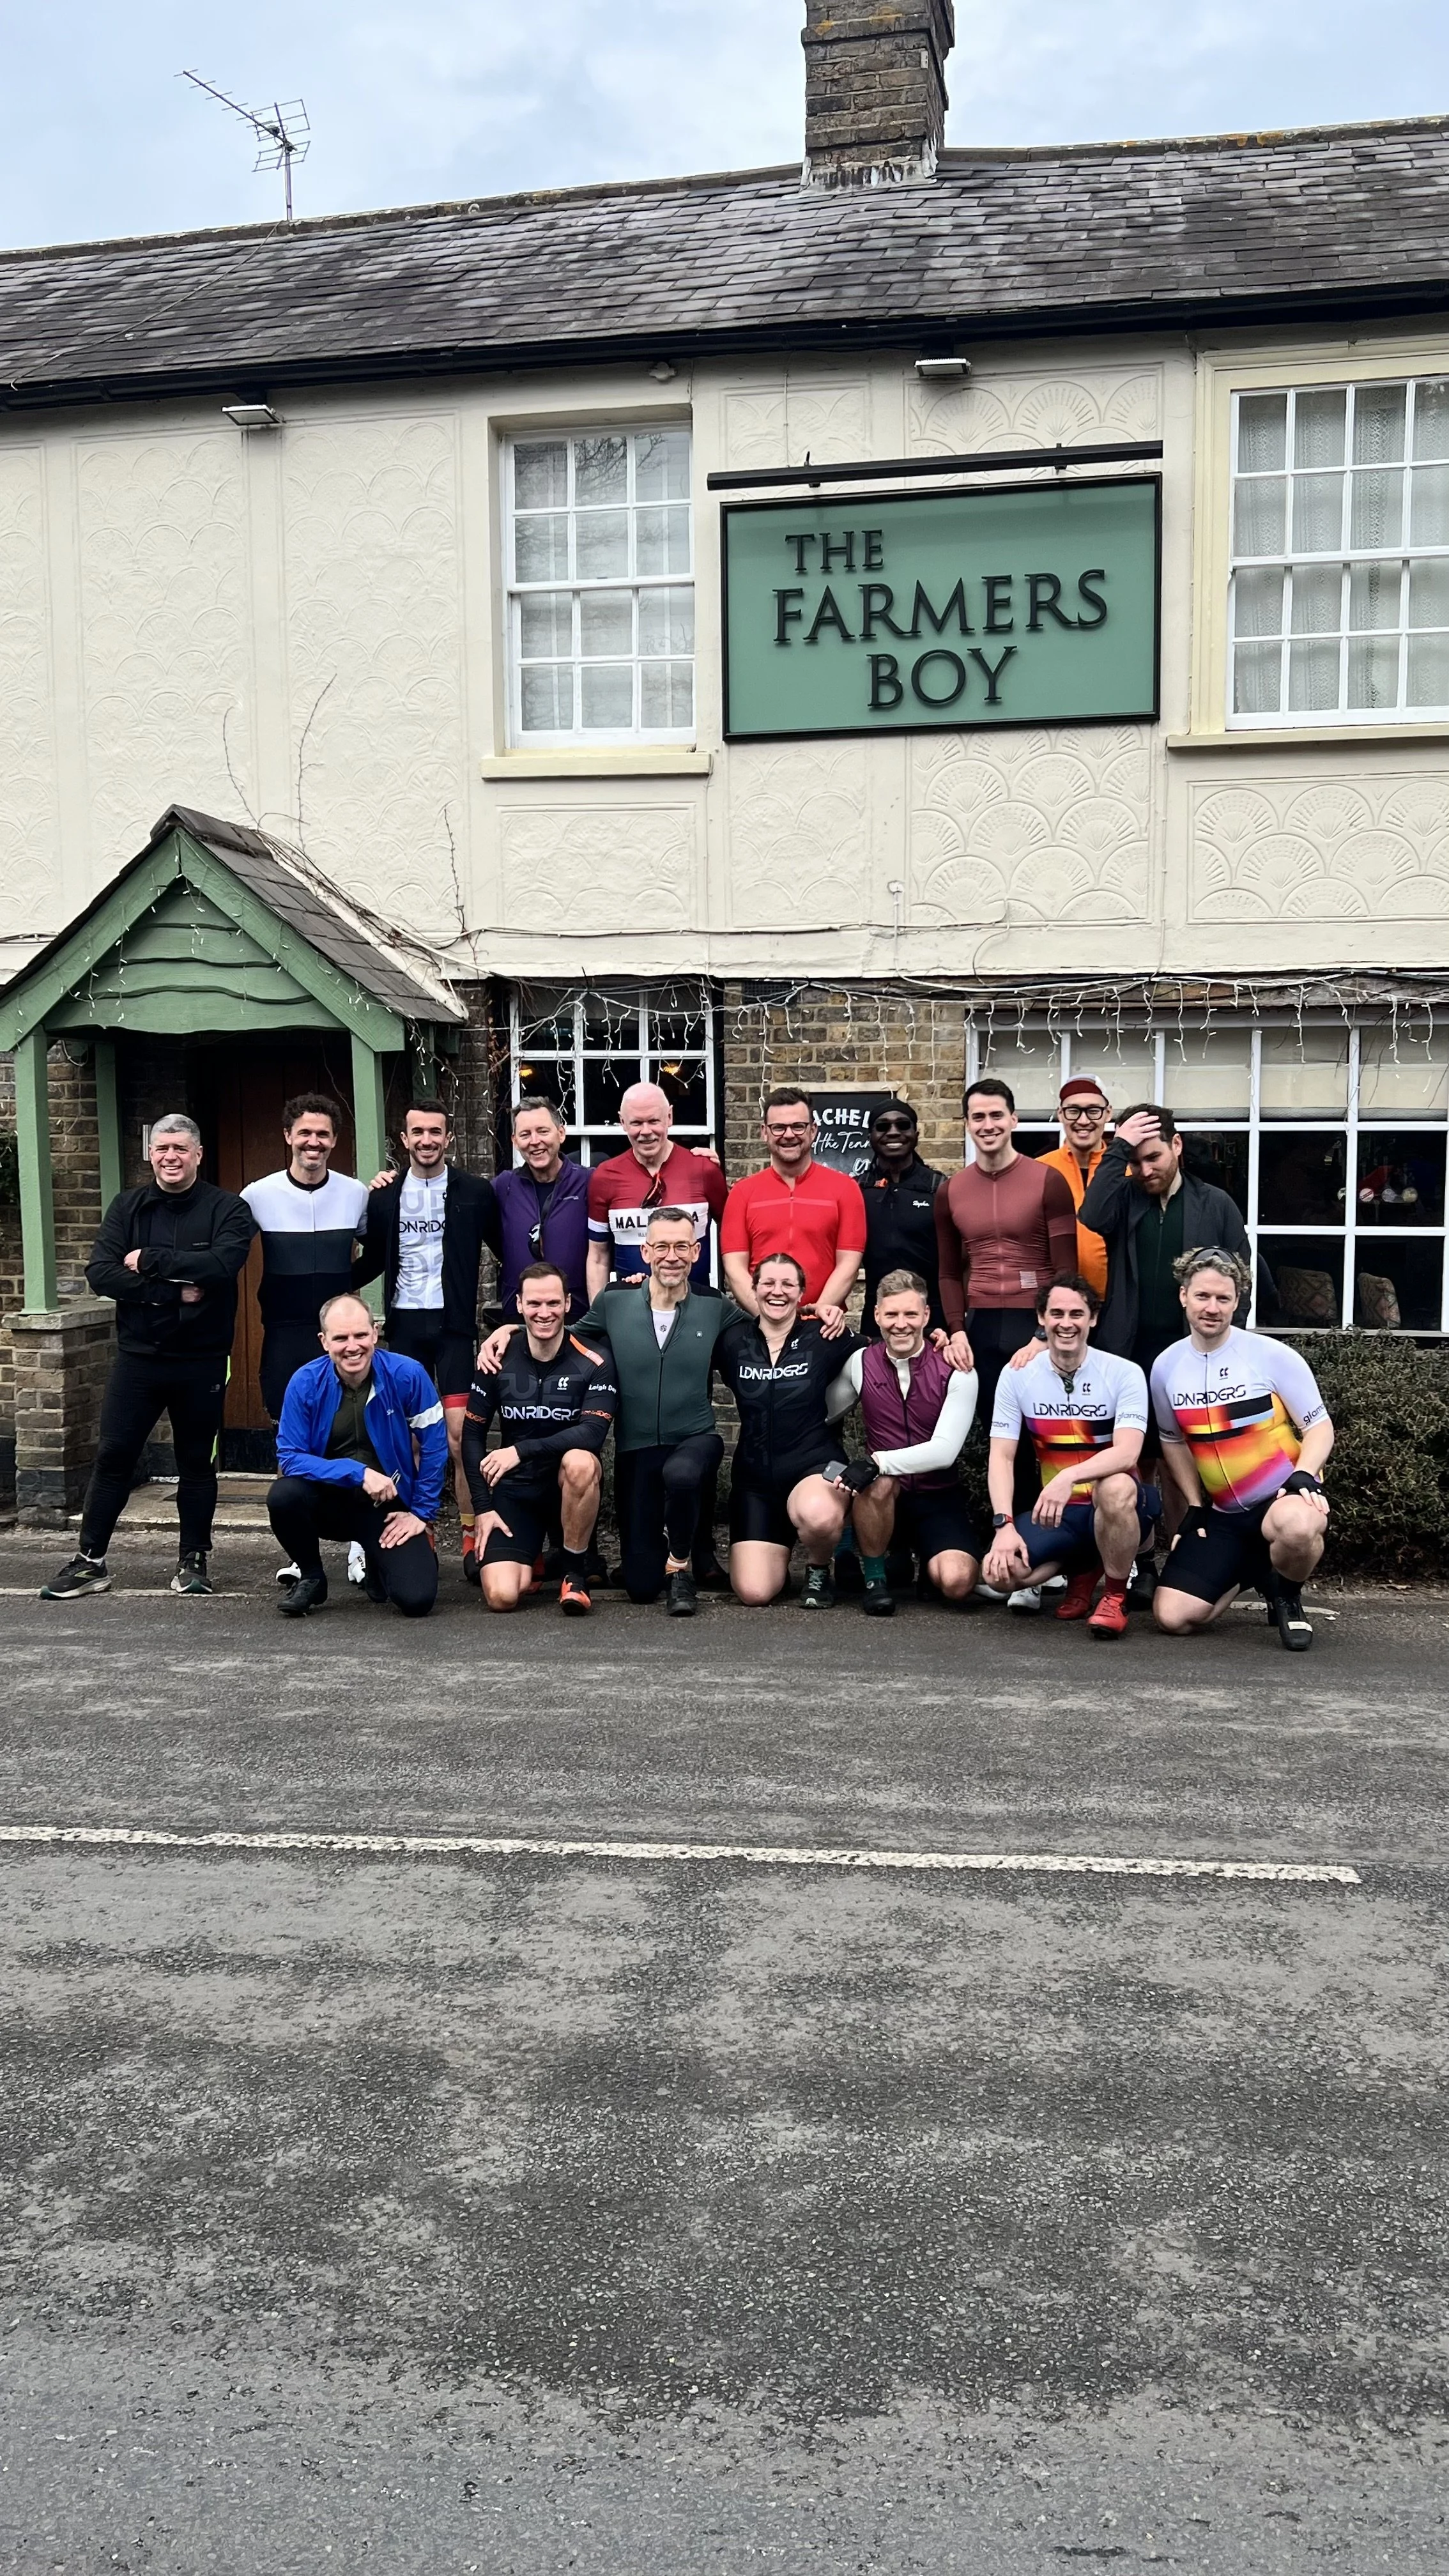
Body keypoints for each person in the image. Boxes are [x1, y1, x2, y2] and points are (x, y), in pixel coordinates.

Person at [479, 1206, 746, 1613]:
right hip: (636, 1447)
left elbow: (768, 1327)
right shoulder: (615, 1300)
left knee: (683, 1473)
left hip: (695, 1436)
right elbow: (562, 1332)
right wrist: (511, 1328)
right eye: (661, 1246)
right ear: (645, 1252)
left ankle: (682, 1567)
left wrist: (818, 1315)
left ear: (696, 1252)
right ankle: (654, 1562)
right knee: (640, 1587)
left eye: (681, 1247)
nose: (670, 1256)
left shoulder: (715, 1305)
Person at [40, 1114, 256, 1601]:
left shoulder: (228, 1209)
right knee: (114, 1455)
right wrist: (172, 1295)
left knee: (196, 1462)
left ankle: (193, 1561)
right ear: (150, 1154)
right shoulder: (128, 1207)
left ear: (198, 1154)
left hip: (202, 1360)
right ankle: (90, 1561)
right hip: (138, 1358)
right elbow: (101, 1274)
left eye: (180, 1148)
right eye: (162, 1148)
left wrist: (151, 1261)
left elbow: (222, 1266)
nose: (170, 1157)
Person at [1079, 1100, 1252, 1607]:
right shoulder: (1126, 1198)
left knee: (1183, 1467)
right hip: (1129, 1354)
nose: (1145, 1169)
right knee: (1136, 1465)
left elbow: (1238, 1284)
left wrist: (1221, 1353)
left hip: (1188, 1358)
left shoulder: (1214, 1204)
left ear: (1177, 1146)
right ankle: (1141, 1564)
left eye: (1153, 1157)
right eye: (1137, 1160)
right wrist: (1118, 1150)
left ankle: (1185, 1565)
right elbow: (1091, 1214)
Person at [1150, 1247, 1333, 1652]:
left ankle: (1287, 1596)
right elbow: (1172, 1440)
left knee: (1298, 1528)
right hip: (1224, 1515)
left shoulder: (1271, 1356)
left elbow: (1319, 1426)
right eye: (1202, 1296)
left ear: (1237, 1301)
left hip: (1283, 1497)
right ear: (1183, 1296)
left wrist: (1305, 1474)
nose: (1212, 1307)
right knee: (1172, 1617)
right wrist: (1194, 1505)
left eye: (1223, 1298)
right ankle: (1258, 1568)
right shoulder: (1165, 1367)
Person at [355, 1099, 502, 1583]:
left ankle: (468, 1535)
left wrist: (513, 1310)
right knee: (407, 1444)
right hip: (404, 1330)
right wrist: (326, 1289)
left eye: (435, 1132)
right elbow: (371, 1259)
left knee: (460, 1440)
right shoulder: (384, 1196)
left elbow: (509, 1250)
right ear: (404, 1139)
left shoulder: (475, 1192)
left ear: (448, 1137)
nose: (426, 1140)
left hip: (454, 1330)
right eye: (417, 1132)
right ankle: (414, 1532)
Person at [981, 1273, 1156, 1640]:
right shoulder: (1018, 1376)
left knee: (1115, 1488)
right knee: (1001, 1575)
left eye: (1077, 1314)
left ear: (1093, 1318)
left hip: (1119, 1502)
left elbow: (1128, 1453)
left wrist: (1067, 1477)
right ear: (1041, 1319)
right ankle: (1086, 1561)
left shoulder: (1124, 1373)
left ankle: (1113, 1596)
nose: (1066, 1323)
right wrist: (1004, 1526)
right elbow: (1001, 1457)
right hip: (1060, 1515)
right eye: (1056, 1313)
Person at [268, 1294, 447, 1618]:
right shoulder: (304, 1382)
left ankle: (378, 1563)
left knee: (417, 1599)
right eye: (341, 1338)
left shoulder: (409, 1374)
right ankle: (311, 1576)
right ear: (324, 1342)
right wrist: (356, 1472)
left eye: (361, 1335)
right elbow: (290, 1457)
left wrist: (421, 1514)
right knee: (283, 1495)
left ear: (375, 1333)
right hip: (327, 1502)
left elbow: (435, 1445)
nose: (353, 1347)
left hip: (386, 1508)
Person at [460, 1262, 617, 1615]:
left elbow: (592, 1433)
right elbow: (471, 1436)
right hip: (516, 1490)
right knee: (502, 1597)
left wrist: (519, 1450)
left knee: (580, 1461)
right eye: (534, 1304)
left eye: (552, 1303)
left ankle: (574, 1573)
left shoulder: (595, 1359)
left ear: (567, 1304)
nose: (543, 1313)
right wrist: (483, 1510)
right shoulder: (497, 1356)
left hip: (567, 1487)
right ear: (519, 1305)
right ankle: (534, 1554)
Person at [714, 1254, 866, 1610]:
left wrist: (941, 1340)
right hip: (755, 1481)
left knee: (819, 1515)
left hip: (812, 1466)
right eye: (767, 1284)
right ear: (752, 1291)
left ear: (802, 1294)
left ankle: (817, 1569)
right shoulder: (732, 1341)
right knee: (754, 1593)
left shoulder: (825, 1334)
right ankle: (780, 1546)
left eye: (787, 1285)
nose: (776, 1292)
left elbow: (890, 1352)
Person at [830, 1269, 981, 1615]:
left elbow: (945, 1451)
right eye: (893, 1314)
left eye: (911, 1314)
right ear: (877, 1315)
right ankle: (875, 1579)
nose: (902, 1324)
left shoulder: (955, 1366)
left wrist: (876, 1460)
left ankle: (925, 1560)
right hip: (885, 1497)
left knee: (958, 1583)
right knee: (879, 1484)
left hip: (938, 1495)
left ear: (926, 1316)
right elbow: (824, 1415)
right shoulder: (860, 1362)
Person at [935, 1078, 1079, 1423]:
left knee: (1046, 1434)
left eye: (996, 1115)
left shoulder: (1049, 1180)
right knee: (995, 1432)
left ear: (1014, 1119)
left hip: (1034, 1321)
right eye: (978, 1117)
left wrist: (1046, 1333)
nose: (988, 1126)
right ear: (967, 1124)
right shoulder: (950, 1191)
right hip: (980, 1326)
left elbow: (1067, 1271)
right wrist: (957, 1331)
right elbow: (949, 1272)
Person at [240, 1094, 372, 1420]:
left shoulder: (355, 1193)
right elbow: (225, 1254)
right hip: (284, 1331)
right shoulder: (258, 1194)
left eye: (323, 1135)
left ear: (334, 1140)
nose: (313, 1142)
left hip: (338, 1333)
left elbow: (380, 1253)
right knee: (285, 1423)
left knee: (343, 1423)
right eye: (304, 1133)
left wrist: (343, 1282)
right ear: (288, 1136)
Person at [721, 1089, 867, 1315]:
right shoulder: (742, 1193)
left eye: (798, 1126)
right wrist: (768, 1318)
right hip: (760, 1326)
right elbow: (734, 1268)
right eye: (778, 1128)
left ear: (813, 1130)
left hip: (822, 1326)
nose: (789, 1135)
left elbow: (849, 1264)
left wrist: (817, 1314)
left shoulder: (846, 1189)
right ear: (764, 1133)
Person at [586, 1080, 728, 1298]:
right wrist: (600, 1318)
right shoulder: (605, 1177)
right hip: (630, 1312)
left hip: (696, 1308)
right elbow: (598, 1257)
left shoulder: (704, 1170)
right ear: (622, 1122)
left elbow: (733, 1245)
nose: (646, 1132)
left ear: (669, 1117)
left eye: (654, 1121)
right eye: (636, 1123)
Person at [493, 1095, 592, 1320]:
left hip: (577, 1318)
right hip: (519, 1318)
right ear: (514, 1141)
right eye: (525, 1135)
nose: (535, 1141)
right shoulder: (503, 1187)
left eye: (543, 1131)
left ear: (561, 1133)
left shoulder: (589, 1183)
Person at [858, 1101, 948, 1334]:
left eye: (903, 1125)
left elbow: (959, 1261)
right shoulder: (857, 1189)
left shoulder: (939, 1187)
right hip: (877, 1316)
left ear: (916, 1134)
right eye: (883, 1126)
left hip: (933, 1316)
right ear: (871, 1136)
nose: (893, 1132)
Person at [1036, 1078, 1112, 1302]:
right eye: (1073, 1111)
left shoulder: (1125, 1171)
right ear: (1060, 1114)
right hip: (1054, 1303)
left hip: (1113, 1303)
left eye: (1093, 1111)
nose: (1083, 1120)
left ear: (1108, 1113)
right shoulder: (1040, 1170)